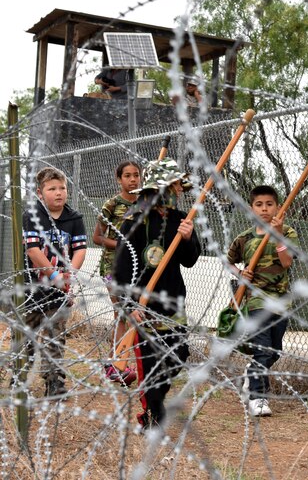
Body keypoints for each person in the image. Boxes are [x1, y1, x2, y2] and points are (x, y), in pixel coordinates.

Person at [113, 158, 200, 430]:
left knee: (178, 353)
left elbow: (190, 259)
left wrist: (188, 238)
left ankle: (155, 403)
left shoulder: (179, 219)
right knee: (150, 360)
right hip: (143, 301)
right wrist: (130, 305)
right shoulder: (134, 220)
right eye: (173, 186)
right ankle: (153, 416)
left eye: (178, 187)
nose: (177, 191)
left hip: (173, 298)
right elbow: (122, 267)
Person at [226, 185, 297, 417]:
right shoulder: (244, 239)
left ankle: (251, 372)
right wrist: (240, 274)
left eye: (269, 204)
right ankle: (258, 398)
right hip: (256, 301)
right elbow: (228, 261)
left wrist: (277, 236)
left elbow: (286, 262)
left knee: (274, 351)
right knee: (263, 350)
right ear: (251, 209)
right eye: (259, 205)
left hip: (281, 301)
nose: (264, 209)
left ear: (277, 207)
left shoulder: (288, 232)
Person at [21, 167, 87, 397]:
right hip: (32, 289)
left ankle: (54, 381)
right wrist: (54, 276)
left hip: (59, 292)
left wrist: (69, 275)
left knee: (55, 337)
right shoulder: (33, 215)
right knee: (26, 336)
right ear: (40, 193)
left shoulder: (74, 218)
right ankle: (20, 379)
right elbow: (34, 251)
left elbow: (80, 250)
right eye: (52, 189)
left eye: (62, 188)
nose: (59, 193)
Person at [93, 161, 141, 385]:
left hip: (137, 269)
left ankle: (122, 362)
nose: (132, 179)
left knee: (135, 314)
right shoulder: (112, 205)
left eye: (136, 175)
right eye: (127, 176)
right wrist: (122, 245)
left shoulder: (144, 203)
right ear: (119, 179)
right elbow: (97, 237)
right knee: (122, 313)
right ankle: (118, 364)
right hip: (113, 267)